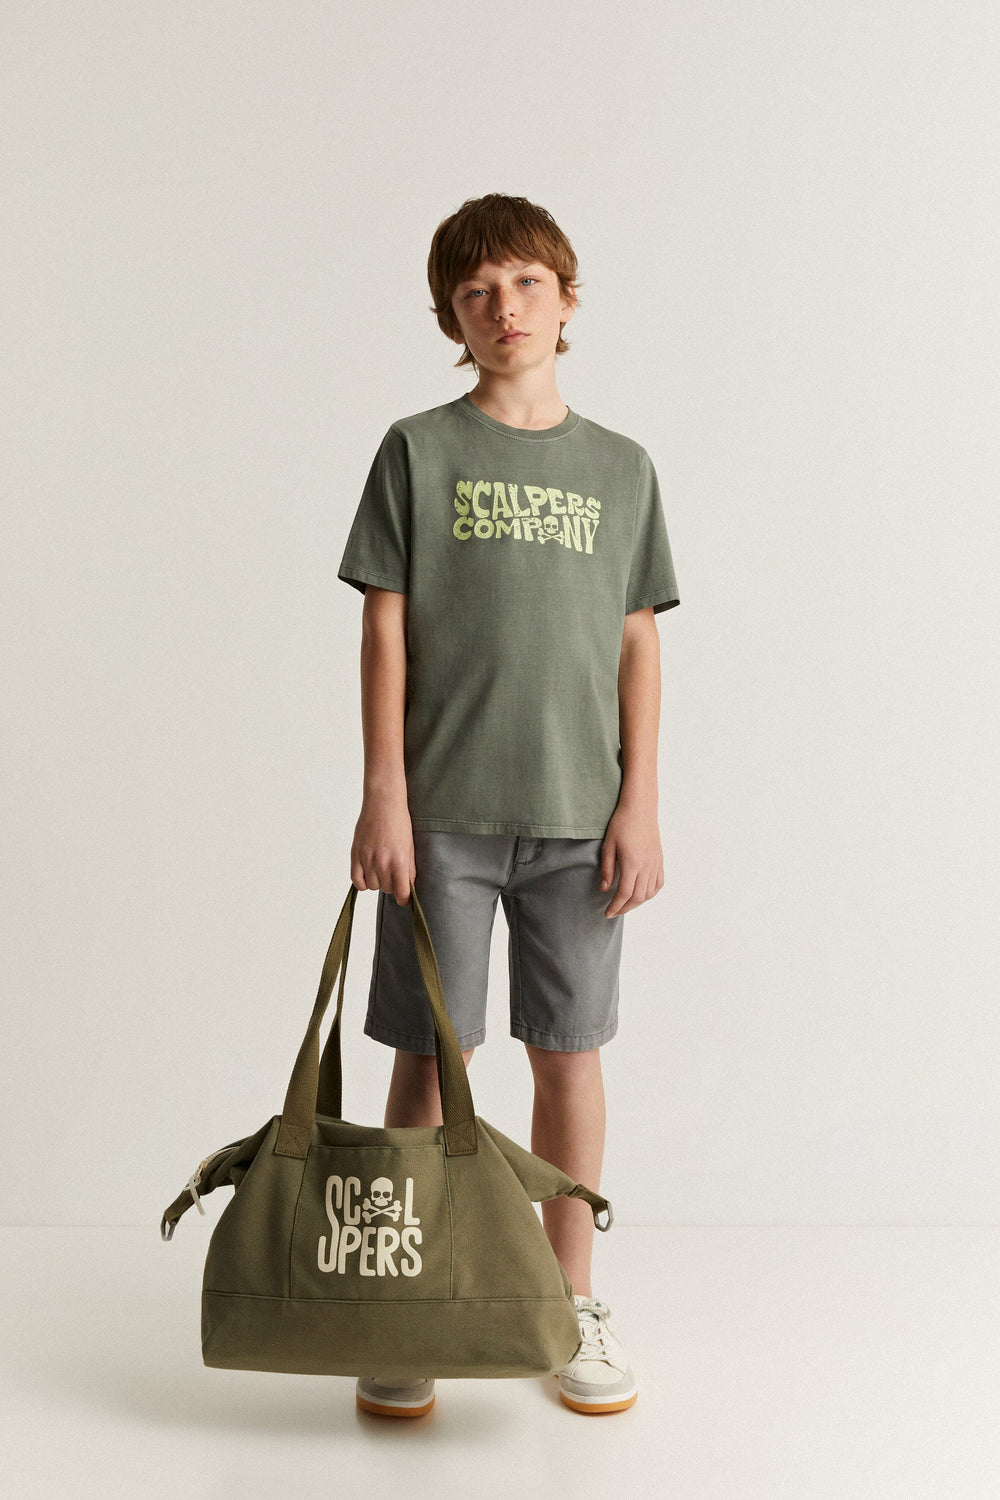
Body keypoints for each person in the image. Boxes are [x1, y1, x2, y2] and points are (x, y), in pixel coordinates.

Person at [337, 193, 679, 1417]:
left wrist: (640, 801)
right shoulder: (417, 451)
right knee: (432, 1057)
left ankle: (566, 1301)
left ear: (566, 298)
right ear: (452, 318)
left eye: (527, 282)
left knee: (568, 1054)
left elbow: (636, 642)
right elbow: (385, 630)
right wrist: (384, 794)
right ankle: (410, 1299)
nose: (505, 307)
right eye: (476, 292)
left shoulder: (620, 469)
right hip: (442, 818)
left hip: (581, 819)